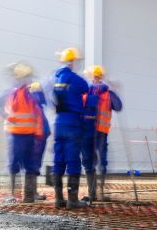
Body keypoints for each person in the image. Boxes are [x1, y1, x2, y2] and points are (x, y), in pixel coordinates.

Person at [0, 63, 42, 203]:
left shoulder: (31, 93)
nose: (30, 80)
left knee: (30, 164)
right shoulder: (12, 92)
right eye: (27, 77)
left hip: (29, 134)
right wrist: (7, 117)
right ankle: (12, 194)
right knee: (14, 164)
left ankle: (28, 195)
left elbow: (38, 109)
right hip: (15, 134)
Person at [51, 47, 90, 209]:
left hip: (59, 122)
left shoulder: (55, 78)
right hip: (72, 122)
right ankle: (72, 200)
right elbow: (86, 88)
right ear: (72, 61)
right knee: (73, 159)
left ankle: (58, 199)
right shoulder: (75, 79)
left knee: (58, 159)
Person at [84, 65, 122, 201]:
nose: (96, 79)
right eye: (95, 76)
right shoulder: (86, 91)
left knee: (101, 163)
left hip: (100, 133)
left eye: (98, 77)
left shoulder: (108, 93)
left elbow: (118, 107)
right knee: (89, 162)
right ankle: (93, 193)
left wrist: (114, 92)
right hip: (88, 133)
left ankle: (98, 192)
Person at [29, 80, 50, 200]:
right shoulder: (34, 106)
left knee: (35, 165)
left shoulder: (38, 107)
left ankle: (33, 192)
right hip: (36, 140)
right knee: (33, 166)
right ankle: (32, 192)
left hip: (39, 139)